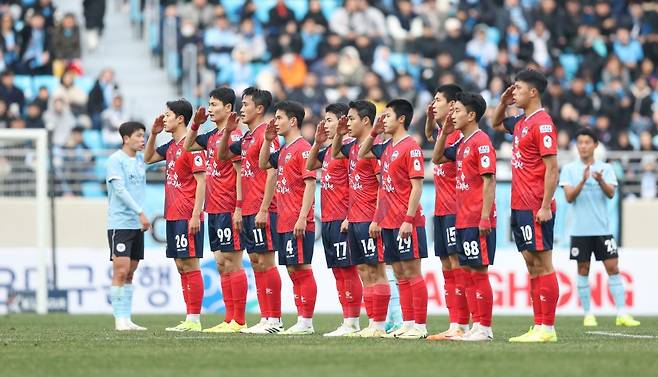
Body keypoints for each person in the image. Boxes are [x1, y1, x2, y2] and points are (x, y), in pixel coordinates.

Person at [492, 69, 559, 343]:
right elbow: (496, 124)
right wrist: (503, 102)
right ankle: (538, 323)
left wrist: (545, 206)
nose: (514, 91)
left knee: (543, 263)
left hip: (536, 205)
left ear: (533, 92)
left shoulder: (542, 124)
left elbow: (552, 169)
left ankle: (548, 327)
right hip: (519, 204)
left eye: (517, 88)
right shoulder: (521, 122)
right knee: (531, 264)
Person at [359, 99, 429, 339]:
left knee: (412, 271)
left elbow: (417, 186)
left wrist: (409, 219)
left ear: (402, 119)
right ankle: (407, 323)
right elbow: (361, 152)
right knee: (399, 273)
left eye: (387, 115)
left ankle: (419, 325)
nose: (383, 119)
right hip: (388, 221)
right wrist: (375, 132)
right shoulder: (386, 146)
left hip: (406, 221)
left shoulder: (411, 147)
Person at [217, 87, 283, 334]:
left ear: (260, 109)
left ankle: (274, 319)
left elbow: (272, 172)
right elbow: (223, 155)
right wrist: (227, 131)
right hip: (248, 208)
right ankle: (266, 318)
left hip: (262, 208)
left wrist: (264, 208)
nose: (241, 108)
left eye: (245, 104)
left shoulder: (268, 135)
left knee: (266, 261)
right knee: (256, 261)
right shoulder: (246, 137)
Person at [559, 128, 640, 328]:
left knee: (613, 267)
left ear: (595, 145)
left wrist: (600, 180)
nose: (583, 146)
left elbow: (611, 194)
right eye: (580, 142)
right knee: (583, 269)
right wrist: (583, 180)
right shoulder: (570, 169)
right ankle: (588, 314)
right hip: (580, 230)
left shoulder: (606, 168)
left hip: (603, 229)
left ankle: (622, 313)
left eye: (587, 142)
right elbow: (569, 197)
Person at [183, 87, 248, 333]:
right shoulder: (210, 136)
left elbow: (241, 173)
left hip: (230, 206)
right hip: (214, 207)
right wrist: (195, 125)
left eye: (214, 104)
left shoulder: (233, 137)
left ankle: (239, 321)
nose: (209, 109)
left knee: (233, 261)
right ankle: (229, 318)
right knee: (221, 262)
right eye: (209, 104)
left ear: (229, 108)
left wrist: (239, 207)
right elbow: (188, 146)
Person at [433, 92, 497, 341]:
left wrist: (484, 217)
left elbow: (489, 181)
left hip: (476, 218)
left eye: (457, 110)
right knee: (468, 273)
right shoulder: (461, 143)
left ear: (471, 115)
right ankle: (474, 325)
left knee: (478, 272)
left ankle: (484, 327)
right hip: (461, 217)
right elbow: (438, 158)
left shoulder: (481, 142)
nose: (452, 114)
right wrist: (443, 131)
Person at [144, 99, 206, 332]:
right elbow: (147, 158)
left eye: (168, 115)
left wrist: (195, 215)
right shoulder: (170, 146)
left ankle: (194, 319)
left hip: (187, 213)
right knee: (181, 265)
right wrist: (153, 134)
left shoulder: (193, 147)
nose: (164, 118)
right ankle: (189, 318)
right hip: (172, 213)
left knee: (190, 263)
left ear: (181, 118)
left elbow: (202, 182)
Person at [259, 100, 318, 335]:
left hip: (297, 220)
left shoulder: (304, 149)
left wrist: (303, 217)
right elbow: (263, 163)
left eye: (279, 118)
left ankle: (307, 321)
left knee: (301, 268)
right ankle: (301, 319)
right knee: (293, 270)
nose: (275, 122)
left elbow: (311, 184)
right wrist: (266, 139)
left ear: (292, 121)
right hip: (284, 219)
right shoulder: (283, 149)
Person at [331, 100, 389, 338]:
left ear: (366, 121)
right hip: (354, 219)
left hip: (369, 219)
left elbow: (382, 185)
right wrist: (339, 132)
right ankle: (372, 323)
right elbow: (335, 152)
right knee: (364, 271)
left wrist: (377, 218)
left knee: (377, 271)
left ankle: (379, 324)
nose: (348, 122)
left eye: (352, 118)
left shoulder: (374, 148)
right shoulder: (352, 147)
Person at [306, 103, 363, 336]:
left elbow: (356, 184)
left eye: (329, 120)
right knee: (338, 271)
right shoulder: (329, 150)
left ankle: (353, 322)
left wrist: (351, 215)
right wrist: (318, 142)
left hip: (343, 218)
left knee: (348, 270)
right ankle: (347, 320)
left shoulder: (350, 149)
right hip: (328, 217)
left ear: (343, 123)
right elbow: (309, 166)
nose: (325, 124)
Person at [425, 84, 474, 341]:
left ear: (453, 104)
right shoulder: (446, 134)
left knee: (458, 265)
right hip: (441, 209)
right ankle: (455, 322)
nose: (433, 104)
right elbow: (432, 139)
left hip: (457, 209)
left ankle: (463, 324)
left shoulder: (459, 135)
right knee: (446, 265)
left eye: (437, 100)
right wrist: (430, 120)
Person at [106, 121, 150, 331]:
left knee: (131, 272)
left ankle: (127, 319)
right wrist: (140, 212)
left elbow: (160, 158)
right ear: (126, 139)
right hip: (120, 224)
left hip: (136, 226)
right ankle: (118, 320)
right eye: (139, 136)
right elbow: (120, 191)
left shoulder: (141, 160)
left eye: (144, 136)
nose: (143, 140)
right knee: (121, 270)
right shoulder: (115, 160)